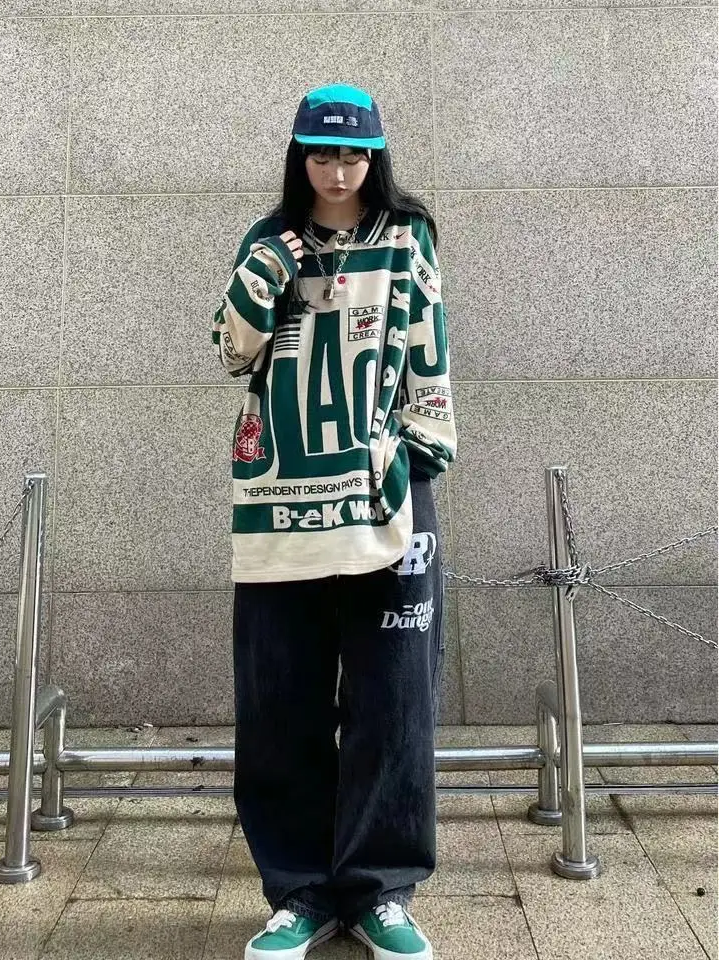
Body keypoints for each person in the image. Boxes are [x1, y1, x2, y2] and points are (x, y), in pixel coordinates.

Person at [212, 83, 457, 960]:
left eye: (354, 154)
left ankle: (381, 890)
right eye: (323, 153)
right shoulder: (266, 238)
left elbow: (429, 344)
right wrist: (266, 276)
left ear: (375, 157)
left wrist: (420, 456)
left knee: (394, 701)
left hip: (386, 495)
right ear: (300, 157)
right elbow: (230, 351)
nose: (339, 170)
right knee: (282, 701)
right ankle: (300, 892)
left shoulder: (407, 235)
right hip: (280, 504)